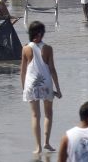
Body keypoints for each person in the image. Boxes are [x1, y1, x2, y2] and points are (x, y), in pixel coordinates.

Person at [21, 20, 62, 156]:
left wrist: (23, 88)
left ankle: (38, 147)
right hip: (46, 84)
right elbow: (52, 70)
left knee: (34, 115)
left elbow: (23, 71)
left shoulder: (26, 48)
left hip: (30, 84)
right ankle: (47, 142)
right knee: (48, 114)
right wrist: (58, 89)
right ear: (40, 33)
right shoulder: (48, 48)